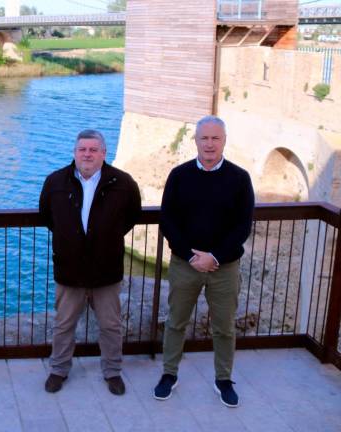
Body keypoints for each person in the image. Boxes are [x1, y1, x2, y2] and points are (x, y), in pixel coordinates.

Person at [154, 115, 254, 408]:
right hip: (186, 265)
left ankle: (224, 379)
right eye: (204, 138)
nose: (209, 144)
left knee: (224, 327)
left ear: (224, 141)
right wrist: (190, 255)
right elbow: (167, 220)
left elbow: (242, 226)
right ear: (195, 141)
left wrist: (215, 257)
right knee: (175, 323)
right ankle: (169, 375)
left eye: (215, 138)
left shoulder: (240, 178)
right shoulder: (179, 175)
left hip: (224, 268)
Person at [39, 129, 141, 395]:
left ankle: (112, 371)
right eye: (82, 149)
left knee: (110, 325)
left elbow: (131, 216)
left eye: (93, 150)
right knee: (63, 325)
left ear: (103, 154)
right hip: (69, 269)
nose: (87, 154)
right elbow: (47, 216)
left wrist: (105, 239)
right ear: (74, 152)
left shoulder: (123, 182)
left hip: (106, 270)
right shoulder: (55, 182)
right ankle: (58, 370)